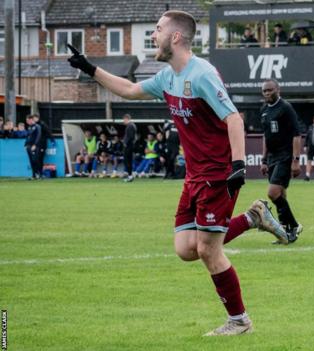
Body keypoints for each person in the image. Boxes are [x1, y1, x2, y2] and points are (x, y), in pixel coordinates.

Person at [67, 10, 288, 336]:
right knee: (186, 248)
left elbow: (235, 119)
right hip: (194, 176)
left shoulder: (202, 74)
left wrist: (239, 166)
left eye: (157, 30)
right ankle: (253, 218)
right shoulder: (167, 76)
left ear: (176, 37)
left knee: (208, 250)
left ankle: (240, 321)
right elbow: (128, 90)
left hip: (217, 174)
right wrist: (90, 69)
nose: (153, 35)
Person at [255, 79, 303, 243]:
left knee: (272, 193)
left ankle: (294, 225)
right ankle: (285, 231)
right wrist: (263, 159)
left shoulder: (286, 108)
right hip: (272, 157)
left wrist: (296, 160)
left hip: (285, 155)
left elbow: (297, 135)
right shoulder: (263, 111)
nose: (267, 93)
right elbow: (265, 137)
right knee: (281, 194)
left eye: (270, 90)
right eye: (264, 91)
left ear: (278, 90)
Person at [24, 115, 44, 180]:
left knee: (35, 160)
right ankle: (33, 175)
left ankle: (39, 174)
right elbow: (28, 136)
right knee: (31, 161)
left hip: (35, 146)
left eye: (28, 120)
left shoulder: (37, 126)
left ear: (31, 120)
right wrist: (25, 144)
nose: (27, 122)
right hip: (29, 146)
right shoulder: (29, 127)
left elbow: (38, 136)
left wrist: (35, 145)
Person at [122, 114, 137, 182]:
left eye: (124, 119)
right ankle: (129, 175)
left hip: (128, 146)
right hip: (129, 146)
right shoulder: (131, 125)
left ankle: (130, 176)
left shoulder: (130, 126)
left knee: (127, 161)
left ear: (126, 118)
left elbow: (130, 137)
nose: (123, 121)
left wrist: (125, 143)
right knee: (128, 161)